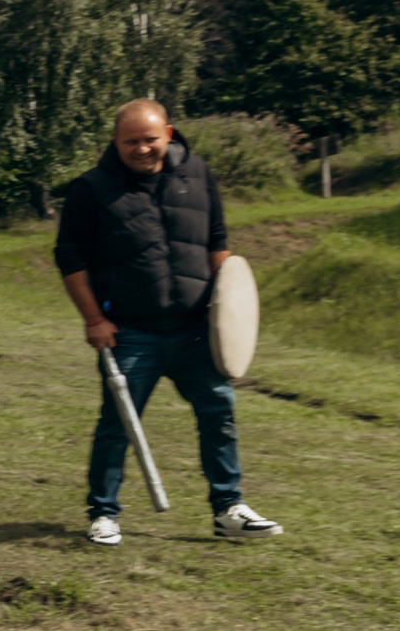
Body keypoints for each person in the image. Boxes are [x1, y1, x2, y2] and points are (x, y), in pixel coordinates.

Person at [56, 99, 283, 546]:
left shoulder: (197, 173)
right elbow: (69, 257)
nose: (142, 148)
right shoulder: (91, 188)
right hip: (129, 332)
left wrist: (226, 313)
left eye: (150, 139)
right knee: (118, 424)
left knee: (218, 412)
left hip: (195, 330)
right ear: (115, 141)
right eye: (131, 141)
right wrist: (94, 319)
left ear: (169, 134)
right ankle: (103, 514)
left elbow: (217, 240)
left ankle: (228, 508)